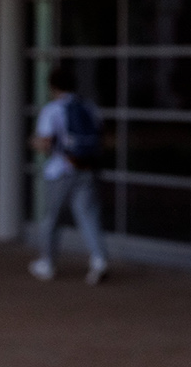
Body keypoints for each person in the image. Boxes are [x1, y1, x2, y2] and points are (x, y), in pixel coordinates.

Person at [30, 65, 110, 284]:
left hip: (61, 171)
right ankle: (99, 259)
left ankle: (47, 263)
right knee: (88, 215)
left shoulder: (53, 109)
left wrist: (35, 142)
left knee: (51, 218)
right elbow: (101, 137)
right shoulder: (89, 107)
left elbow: (45, 142)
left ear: (52, 86)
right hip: (87, 168)